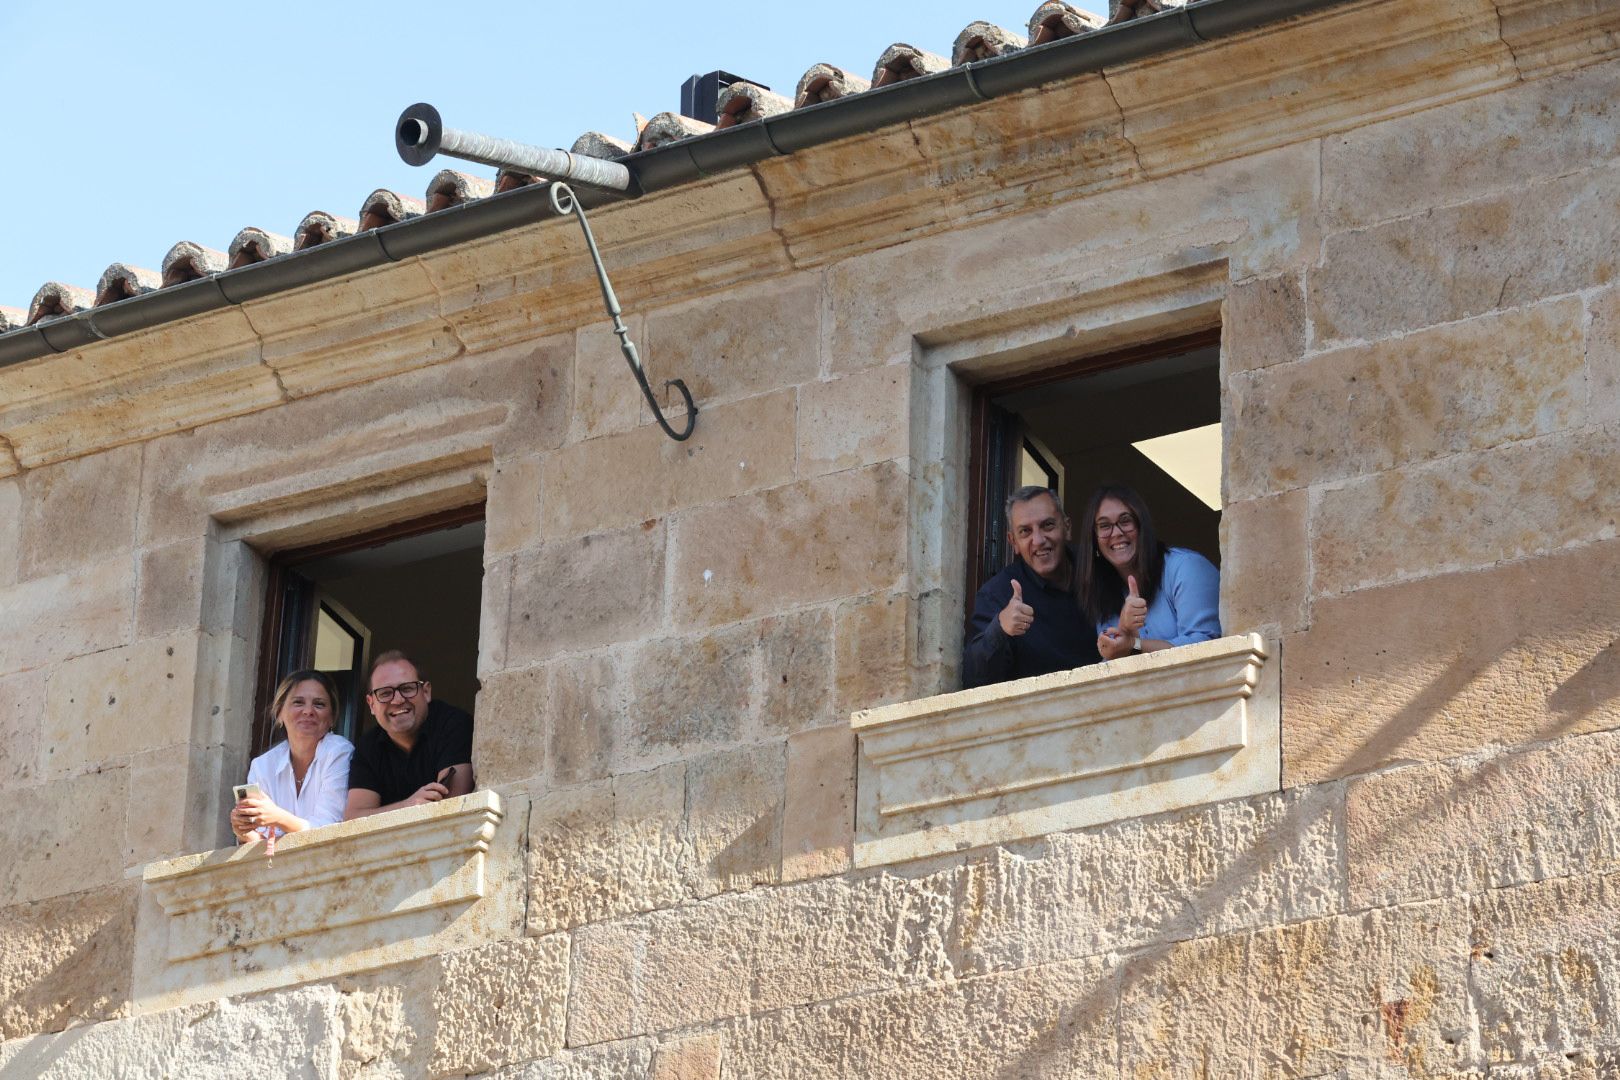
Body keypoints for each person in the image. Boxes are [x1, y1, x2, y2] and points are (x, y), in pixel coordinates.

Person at [962, 485, 1103, 688]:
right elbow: (974, 681)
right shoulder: (999, 593)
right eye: (1025, 531)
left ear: (1067, 527)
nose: (1038, 540)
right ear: (1013, 542)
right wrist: (1001, 628)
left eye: (1047, 525)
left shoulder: (1098, 569)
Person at [1079, 482, 1221, 660]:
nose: (1116, 533)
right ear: (1094, 540)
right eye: (1105, 526)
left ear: (1141, 527)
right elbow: (1112, 670)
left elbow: (1207, 646)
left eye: (1125, 521)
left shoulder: (1186, 567)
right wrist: (1124, 632)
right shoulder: (1102, 595)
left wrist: (1134, 644)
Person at [345, 650, 475, 819]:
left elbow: (452, 806)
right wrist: (408, 806)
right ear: (371, 704)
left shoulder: (453, 724)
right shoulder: (367, 747)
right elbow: (353, 819)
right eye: (385, 693)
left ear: (426, 692)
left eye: (407, 689)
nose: (397, 700)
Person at [231, 669, 355, 847]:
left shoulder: (339, 752)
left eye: (319, 704)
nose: (308, 711)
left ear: (332, 718)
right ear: (279, 712)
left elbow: (329, 829)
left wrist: (278, 817)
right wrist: (243, 831)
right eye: (298, 702)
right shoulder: (262, 766)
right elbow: (262, 844)